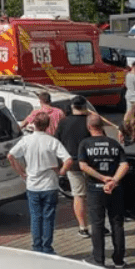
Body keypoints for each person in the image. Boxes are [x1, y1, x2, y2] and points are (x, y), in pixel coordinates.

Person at [7, 113, 72, 254]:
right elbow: (68, 160)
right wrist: (61, 172)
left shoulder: (26, 141)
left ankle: (36, 246)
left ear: (34, 124)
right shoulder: (52, 141)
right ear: (47, 126)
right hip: (50, 184)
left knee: (36, 217)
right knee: (48, 217)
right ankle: (47, 247)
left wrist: (21, 172)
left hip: (33, 184)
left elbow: (11, 155)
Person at [78, 114, 129, 268]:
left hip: (95, 189)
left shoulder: (85, 144)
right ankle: (119, 259)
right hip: (115, 189)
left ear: (88, 127)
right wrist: (114, 180)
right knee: (117, 223)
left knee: (97, 224)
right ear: (103, 126)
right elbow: (124, 164)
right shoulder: (113, 143)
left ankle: (98, 260)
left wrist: (102, 178)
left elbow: (83, 166)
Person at [52, 95, 92, 237]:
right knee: (94, 195)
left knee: (78, 196)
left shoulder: (63, 123)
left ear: (72, 107)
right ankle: (99, 224)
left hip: (72, 164)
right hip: (91, 164)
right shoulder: (90, 121)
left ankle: (83, 227)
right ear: (85, 106)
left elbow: (56, 143)